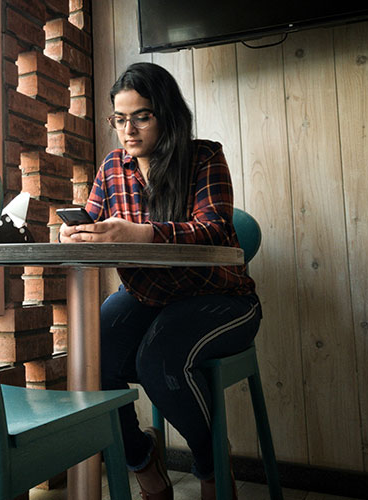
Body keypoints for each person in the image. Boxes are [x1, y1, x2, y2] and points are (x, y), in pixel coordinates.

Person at [59, 62, 261, 500]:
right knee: (90, 356)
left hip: (222, 298)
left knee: (158, 361)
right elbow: (94, 219)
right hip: (146, 295)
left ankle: (211, 467)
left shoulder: (204, 156)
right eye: (119, 119)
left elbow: (216, 230)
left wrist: (141, 232)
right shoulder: (113, 165)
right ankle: (141, 457)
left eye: (142, 116)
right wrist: (76, 230)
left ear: (166, 114)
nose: (128, 130)